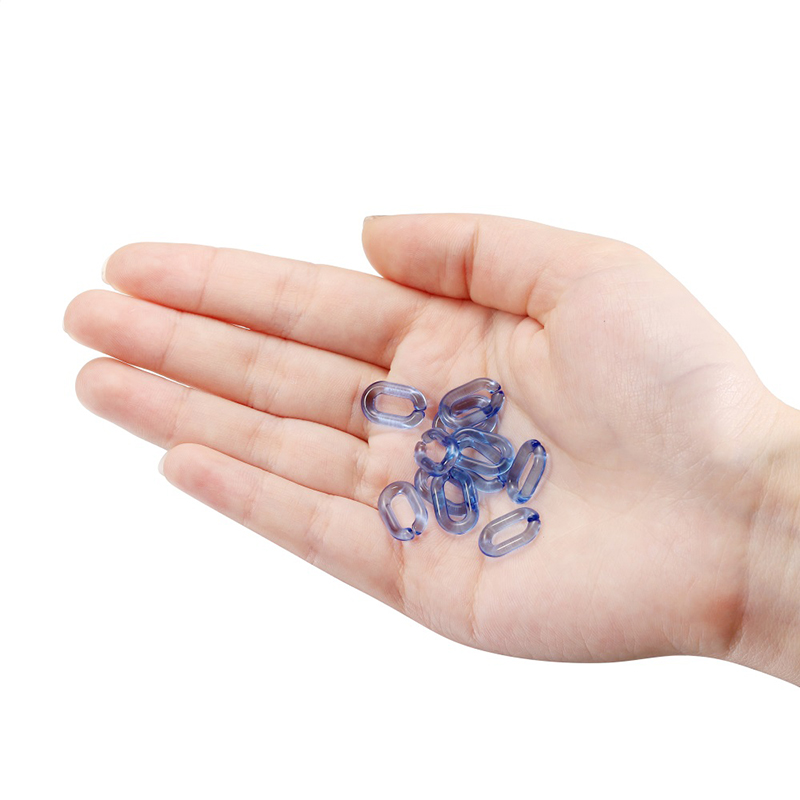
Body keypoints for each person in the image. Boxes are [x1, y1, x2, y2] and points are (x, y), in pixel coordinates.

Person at [62, 213, 800, 685]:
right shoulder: (449, 455)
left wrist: (762, 527)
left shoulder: (486, 461)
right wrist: (761, 541)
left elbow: (480, 474)